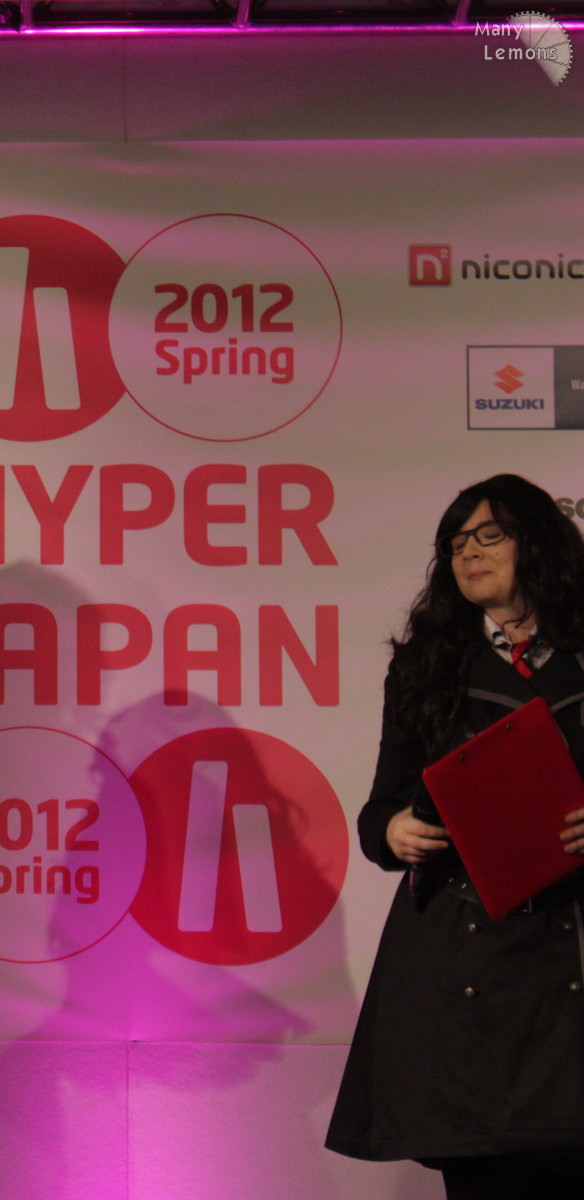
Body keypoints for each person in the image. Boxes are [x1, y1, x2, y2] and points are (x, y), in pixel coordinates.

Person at [326, 474, 584, 1198]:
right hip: (465, 950)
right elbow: (380, 811)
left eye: (489, 535)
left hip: (571, 946)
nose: (469, 552)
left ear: (539, 541)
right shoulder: (427, 665)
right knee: (485, 1169)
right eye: (456, 542)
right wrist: (395, 830)